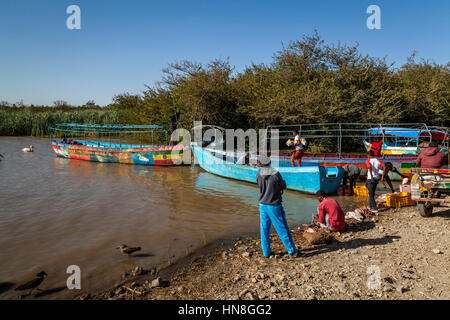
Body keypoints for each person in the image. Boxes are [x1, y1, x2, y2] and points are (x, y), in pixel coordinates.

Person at [256, 155, 299, 258]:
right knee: (282, 228)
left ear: (260, 164)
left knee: (264, 229)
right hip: (274, 205)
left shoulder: (258, 174)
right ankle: (292, 251)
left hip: (262, 204)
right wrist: (282, 184)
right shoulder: (275, 173)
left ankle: (266, 253)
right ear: (269, 163)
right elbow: (283, 185)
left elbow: (260, 185)